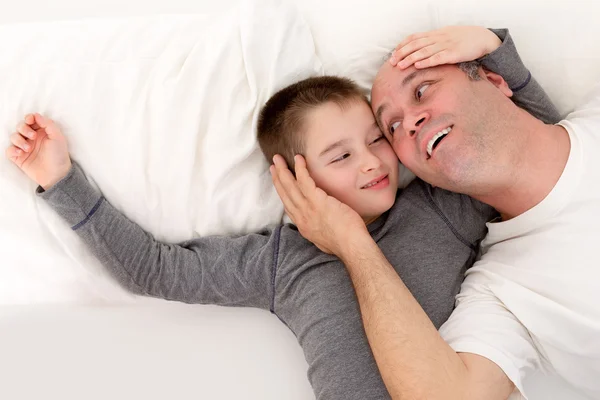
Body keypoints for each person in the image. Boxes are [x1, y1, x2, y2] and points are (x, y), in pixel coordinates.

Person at [6, 27, 557, 400]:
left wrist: (492, 45)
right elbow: (151, 269)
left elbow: (532, 151)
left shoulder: (440, 206)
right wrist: (61, 180)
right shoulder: (280, 260)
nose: (371, 162)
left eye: (376, 139)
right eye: (340, 156)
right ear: (294, 177)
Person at [271, 26, 599, 400]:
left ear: (494, 80)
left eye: (422, 90)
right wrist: (353, 245)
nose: (409, 121)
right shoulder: (503, 293)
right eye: (391, 128)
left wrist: (496, 46)